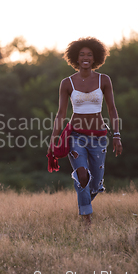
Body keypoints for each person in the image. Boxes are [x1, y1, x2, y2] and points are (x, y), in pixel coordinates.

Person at [47, 36, 122, 226]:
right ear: (76, 58)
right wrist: (53, 139)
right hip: (76, 136)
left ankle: (84, 202)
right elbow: (61, 113)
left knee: (95, 185)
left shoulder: (104, 80)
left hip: (98, 137)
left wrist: (117, 135)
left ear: (96, 57)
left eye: (89, 54)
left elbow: (112, 109)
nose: (85, 58)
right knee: (82, 176)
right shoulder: (67, 83)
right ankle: (86, 219)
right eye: (81, 55)